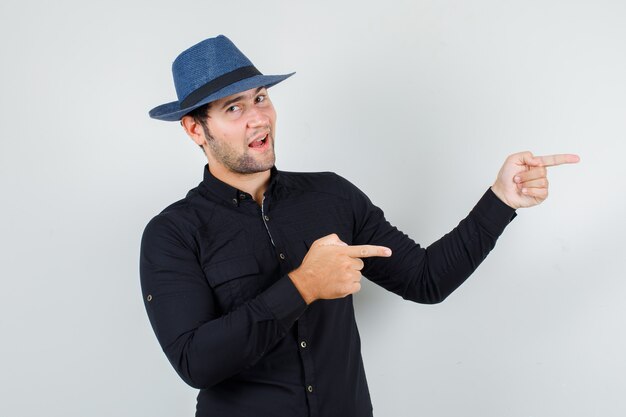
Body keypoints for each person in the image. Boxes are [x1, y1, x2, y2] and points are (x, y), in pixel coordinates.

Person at [140, 35, 579, 417]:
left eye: (260, 98)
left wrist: (501, 200)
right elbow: (195, 363)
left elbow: (427, 280)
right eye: (234, 108)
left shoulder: (332, 196)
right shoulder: (172, 233)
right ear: (196, 130)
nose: (258, 118)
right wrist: (303, 286)